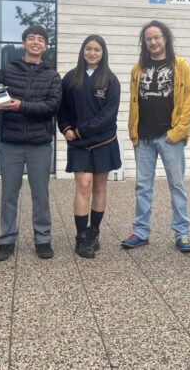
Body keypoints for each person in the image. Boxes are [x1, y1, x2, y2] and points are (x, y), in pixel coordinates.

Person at [0, 24, 61, 261]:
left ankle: (43, 238)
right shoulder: (7, 71)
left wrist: (21, 106)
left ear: (45, 45)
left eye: (40, 39)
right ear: (24, 43)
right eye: (31, 38)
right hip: (11, 142)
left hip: (39, 142)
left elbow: (52, 106)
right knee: (9, 194)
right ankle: (6, 240)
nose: (36, 42)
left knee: (41, 195)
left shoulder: (52, 75)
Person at [122, 20, 190, 252]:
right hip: (143, 137)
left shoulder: (181, 66)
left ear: (165, 38)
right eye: (148, 38)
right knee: (143, 187)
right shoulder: (138, 68)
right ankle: (141, 231)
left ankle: (182, 233)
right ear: (144, 42)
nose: (153, 42)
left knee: (177, 186)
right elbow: (134, 102)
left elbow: (189, 103)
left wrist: (177, 133)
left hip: (169, 137)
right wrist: (133, 131)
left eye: (157, 37)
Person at [58, 35, 122, 258]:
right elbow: (62, 108)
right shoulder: (70, 78)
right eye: (88, 49)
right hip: (77, 142)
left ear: (103, 53)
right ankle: (81, 236)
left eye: (97, 49)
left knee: (99, 186)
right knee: (84, 185)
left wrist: (83, 129)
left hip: (103, 141)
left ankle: (94, 232)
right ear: (82, 51)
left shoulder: (111, 80)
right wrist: (66, 128)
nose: (92, 53)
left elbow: (108, 115)